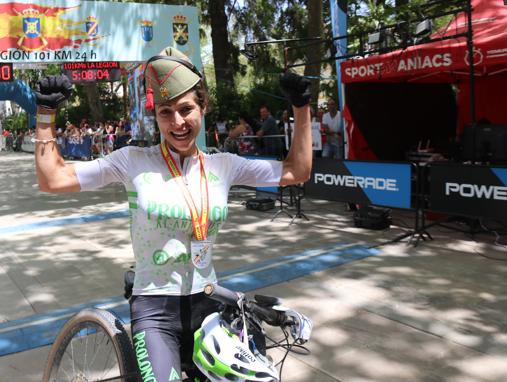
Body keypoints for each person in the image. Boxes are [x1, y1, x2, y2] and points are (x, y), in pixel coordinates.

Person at [33, 47, 313, 382]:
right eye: (166, 113)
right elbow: (53, 179)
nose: (177, 123)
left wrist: (301, 108)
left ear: (203, 106)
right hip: (155, 309)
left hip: (209, 304)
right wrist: (46, 113)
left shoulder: (224, 165)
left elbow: (297, 171)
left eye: (186, 109)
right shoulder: (132, 160)